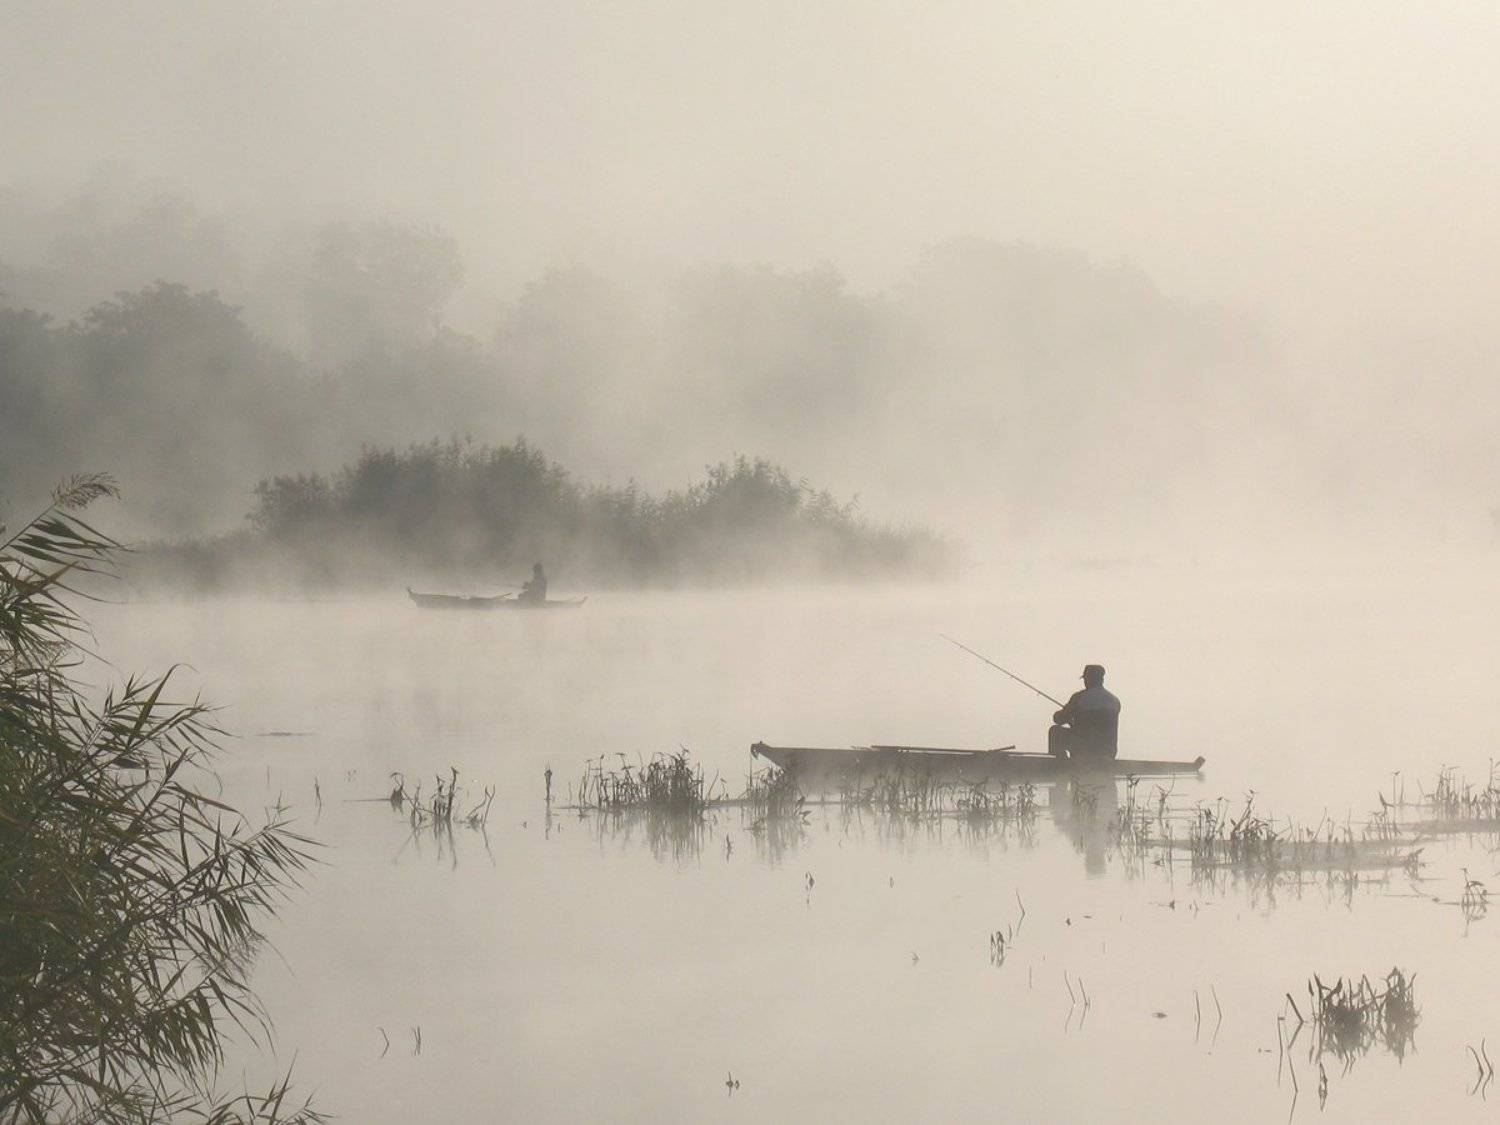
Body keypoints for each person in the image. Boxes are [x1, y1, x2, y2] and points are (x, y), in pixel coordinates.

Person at [1047, 664, 1121, 763]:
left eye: (1085, 679)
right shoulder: (1114, 701)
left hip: (1085, 749)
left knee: (1055, 731)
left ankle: (1059, 765)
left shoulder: (1080, 697)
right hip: (1107, 750)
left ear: (1088, 679)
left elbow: (1059, 719)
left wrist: (1064, 713)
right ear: (1101, 679)